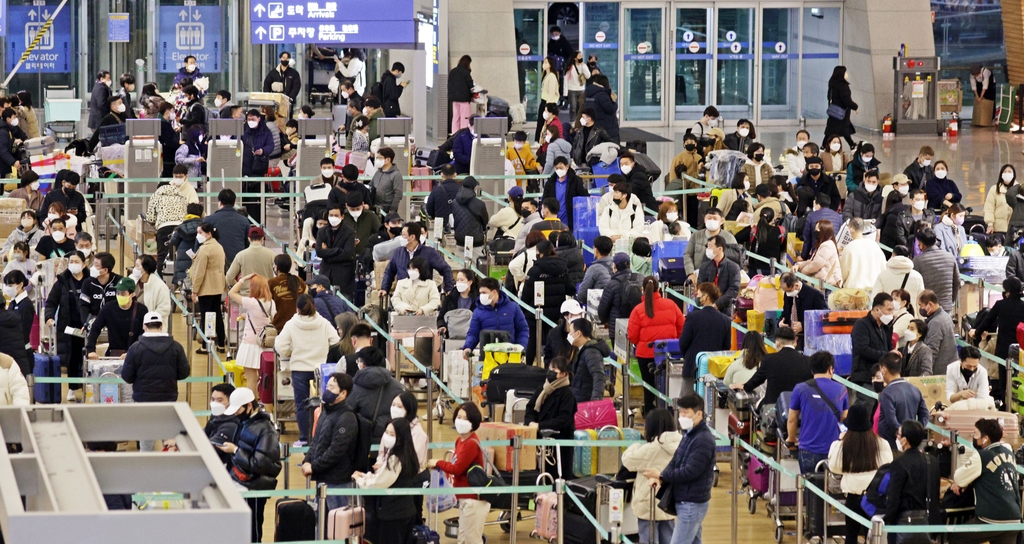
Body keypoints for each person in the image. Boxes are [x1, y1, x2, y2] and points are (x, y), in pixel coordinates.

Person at [643, 394, 716, 544]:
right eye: (681, 412)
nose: (682, 416)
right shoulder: (689, 434)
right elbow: (676, 459)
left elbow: (690, 471)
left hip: (692, 503)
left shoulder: (703, 440)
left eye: (686, 412)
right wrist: (661, 476)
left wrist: (661, 474)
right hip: (687, 500)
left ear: (699, 414)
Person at [219, 387, 282, 543]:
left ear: (249, 406)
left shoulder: (266, 430)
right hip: (241, 481)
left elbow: (261, 463)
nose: (235, 413)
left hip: (253, 486)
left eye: (238, 409)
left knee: (252, 531)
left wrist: (236, 450)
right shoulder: (245, 422)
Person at [277, 294, 340, 447]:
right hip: (321, 369)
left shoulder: (291, 324)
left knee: (301, 404)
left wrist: (291, 351)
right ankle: (322, 437)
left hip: (299, 368)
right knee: (324, 403)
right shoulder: (323, 323)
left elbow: (280, 347)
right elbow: (336, 341)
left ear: (297, 308)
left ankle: (305, 437)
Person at [826, 403, 893, 544]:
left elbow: (834, 467)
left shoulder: (841, 445)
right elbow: (887, 466)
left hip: (852, 496)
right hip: (874, 498)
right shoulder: (882, 443)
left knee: (851, 535)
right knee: (873, 536)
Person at [949, 419, 1022, 544]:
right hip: (1014, 519)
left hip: (991, 520)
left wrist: (965, 482)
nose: (973, 437)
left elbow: (959, 478)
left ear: (985, 439)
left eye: (975, 434)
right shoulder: (1009, 453)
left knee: (957, 537)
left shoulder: (982, 455)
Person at [426, 402, 489, 544]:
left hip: (474, 500)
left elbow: (457, 468)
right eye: (458, 417)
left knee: (472, 540)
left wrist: (438, 463)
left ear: (473, 422)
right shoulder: (460, 440)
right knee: (462, 539)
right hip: (464, 498)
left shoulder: (471, 443)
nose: (460, 421)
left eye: (465, 418)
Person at [353, 418, 420, 544]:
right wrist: (365, 476)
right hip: (406, 511)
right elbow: (382, 477)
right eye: (387, 432)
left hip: (394, 514)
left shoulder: (395, 458)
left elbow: (378, 484)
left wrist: (360, 480)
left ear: (400, 437)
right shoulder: (408, 454)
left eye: (392, 434)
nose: (387, 437)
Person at [301, 371, 360, 510]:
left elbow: (336, 450)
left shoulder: (347, 417)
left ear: (343, 393)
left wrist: (314, 467)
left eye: (332, 388)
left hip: (338, 481)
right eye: (327, 386)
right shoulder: (326, 412)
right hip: (323, 478)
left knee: (336, 526)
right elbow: (316, 441)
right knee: (321, 523)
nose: (327, 390)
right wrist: (307, 460)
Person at [622, 409, 681, 544]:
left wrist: (635, 445)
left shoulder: (652, 448)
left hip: (648, 502)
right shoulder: (680, 444)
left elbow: (628, 460)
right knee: (669, 538)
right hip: (668, 501)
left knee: (648, 539)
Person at [786, 352, 850, 474]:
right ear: (831, 369)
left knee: (808, 489)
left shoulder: (800, 388)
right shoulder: (842, 389)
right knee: (830, 490)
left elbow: (792, 419)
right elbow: (844, 418)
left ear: (812, 370)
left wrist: (792, 438)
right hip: (833, 450)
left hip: (807, 450)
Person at [520, 240, 576, 364]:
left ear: (540, 254)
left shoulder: (535, 270)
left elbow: (526, 294)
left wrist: (522, 309)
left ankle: (528, 367)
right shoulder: (563, 268)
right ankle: (554, 367)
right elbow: (570, 289)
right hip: (556, 313)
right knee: (554, 341)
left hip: (535, 313)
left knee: (533, 342)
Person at [884, 420, 942, 536]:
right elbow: (935, 493)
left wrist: (887, 520)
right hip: (929, 521)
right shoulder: (932, 461)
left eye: (899, 435)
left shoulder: (899, 463)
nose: (897, 438)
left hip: (905, 522)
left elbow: (894, 497)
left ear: (904, 440)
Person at [43, 251, 88, 401]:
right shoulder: (62, 282)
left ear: (84, 264)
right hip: (69, 327)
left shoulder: (90, 281)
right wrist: (49, 317)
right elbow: (51, 302)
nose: (73, 264)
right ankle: (72, 388)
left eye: (76, 261)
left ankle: (87, 387)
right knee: (73, 358)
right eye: (71, 261)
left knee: (87, 357)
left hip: (87, 326)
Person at [121, 309, 189, 406]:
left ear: (144, 326)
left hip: (142, 398)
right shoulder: (176, 347)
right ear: (161, 326)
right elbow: (184, 373)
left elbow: (127, 376)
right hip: (168, 398)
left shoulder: (135, 348)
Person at [525, 355, 577, 478]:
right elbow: (530, 408)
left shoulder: (567, 395)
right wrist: (530, 422)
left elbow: (564, 419)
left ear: (563, 374)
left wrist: (540, 426)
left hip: (559, 444)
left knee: (557, 477)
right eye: (550, 369)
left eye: (554, 371)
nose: (550, 373)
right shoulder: (543, 389)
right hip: (540, 442)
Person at [677, 282, 731, 395]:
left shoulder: (693, 317)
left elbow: (683, 342)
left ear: (705, 297)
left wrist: (687, 357)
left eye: (699, 294)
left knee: (688, 404)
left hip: (692, 369)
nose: (697, 297)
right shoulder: (725, 320)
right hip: (714, 371)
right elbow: (726, 347)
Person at [738, 326, 812, 407]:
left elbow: (756, 380)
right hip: (800, 408)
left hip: (774, 409)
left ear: (777, 343)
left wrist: (745, 386)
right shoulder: (808, 361)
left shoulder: (769, 359)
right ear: (795, 342)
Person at [227, 273, 276, 388]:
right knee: (265, 379)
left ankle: (252, 404)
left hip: (250, 344)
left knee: (251, 379)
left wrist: (243, 279)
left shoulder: (252, 302)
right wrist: (248, 316)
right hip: (266, 344)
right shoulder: (271, 302)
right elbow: (269, 319)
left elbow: (231, 293)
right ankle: (264, 403)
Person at [462, 277, 530, 360]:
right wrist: (468, 347)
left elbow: (523, 329)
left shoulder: (513, 307)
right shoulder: (478, 311)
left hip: (510, 356)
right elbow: (473, 333)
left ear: (494, 292)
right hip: (487, 358)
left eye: (484, 292)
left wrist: (521, 347)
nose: (481, 296)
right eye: (480, 293)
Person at [380, 222, 454, 294]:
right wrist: (384, 289)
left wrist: (449, 289)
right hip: (403, 295)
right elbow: (389, 272)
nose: (401, 238)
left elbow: (445, 268)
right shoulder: (398, 252)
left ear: (412, 237)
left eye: (403, 235)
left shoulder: (429, 252)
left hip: (423, 295)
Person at [876, 353, 931, 448]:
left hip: (892, 446)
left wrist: (902, 436)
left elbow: (891, 420)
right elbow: (925, 414)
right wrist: (915, 434)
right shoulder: (915, 389)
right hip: (911, 446)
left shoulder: (887, 393)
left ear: (883, 370)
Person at [190, 223, 226, 353]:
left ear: (209, 233)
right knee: (217, 314)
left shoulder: (205, 249)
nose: (198, 235)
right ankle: (221, 343)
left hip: (206, 287)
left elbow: (199, 272)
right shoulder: (218, 246)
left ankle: (206, 345)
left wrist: (194, 291)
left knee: (206, 316)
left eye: (200, 232)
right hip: (217, 286)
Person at [849, 292, 894, 387]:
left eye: (892, 310)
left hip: (883, 377)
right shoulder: (861, 325)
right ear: (877, 309)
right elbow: (862, 349)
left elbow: (889, 347)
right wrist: (886, 355)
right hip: (865, 378)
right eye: (889, 310)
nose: (891, 314)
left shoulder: (887, 327)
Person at [598, 252, 645, 340]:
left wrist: (605, 321)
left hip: (617, 327)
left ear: (614, 266)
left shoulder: (612, 284)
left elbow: (603, 308)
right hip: (638, 324)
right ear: (629, 264)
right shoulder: (640, 279)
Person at [913, 228, 959, 313]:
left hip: (927, 307)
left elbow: (915, 286)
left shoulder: (918, 261)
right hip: (946, 306)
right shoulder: (950, 257)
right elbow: (957, 282)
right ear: (935, 240)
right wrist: (951, 300)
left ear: (921, 244)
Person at [684, 208, 736, 283]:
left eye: (715, 218)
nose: (711, 221)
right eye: (709, 218)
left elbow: (735, 259)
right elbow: (688, 254)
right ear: (704, 219)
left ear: (721, 221)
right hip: (699, 277)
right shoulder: (696, 236)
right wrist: (690, 273)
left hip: (722, 278)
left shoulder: (729, 238)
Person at [316, 204, 357, 297]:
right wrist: (338, 250)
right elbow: (319, 251)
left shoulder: (349, 232)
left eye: (336, 215)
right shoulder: (322, 231)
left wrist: (327, 254)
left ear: (342, 216)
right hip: (325, 273)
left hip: (343, 276)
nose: (333, 218)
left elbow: (347, 253)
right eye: (331, 215)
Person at [780, 273, 828, 349]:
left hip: (809, 340)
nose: (787, 294)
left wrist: (804, 325)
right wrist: (781, 322)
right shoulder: (788, 295)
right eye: (785, 291)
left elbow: (824, 317)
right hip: (791, 339)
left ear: (796, 286)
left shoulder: (815, 295)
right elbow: (786, 312)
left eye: (789, 291)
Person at [567, 318, 610, 402]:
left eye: (570, 331)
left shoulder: (591, 352)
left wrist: (595, 402)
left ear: (578, 333)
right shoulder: (581, 349)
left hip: (586, 403)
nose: (568, 334)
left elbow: (599, 376)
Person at [542, 156, 589, 231]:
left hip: (570, 218)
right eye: (556, 168)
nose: (558, 170)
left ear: (567, 167)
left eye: (561, 168)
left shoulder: (576, 181)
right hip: (554, 219)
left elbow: (584, 196)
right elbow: (545, 199)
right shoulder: (550, 182)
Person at [225, 226, 275, 296]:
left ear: (248, 239)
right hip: (265, 295)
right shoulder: (271, 254)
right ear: (262, 239)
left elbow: (229, 277)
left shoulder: (241, 255)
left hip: (246, 295)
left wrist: (239, 285)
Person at [696, 235, 741, 313]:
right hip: (705, 306)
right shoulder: (704, 266)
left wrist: (717, 304)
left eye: (710, 246)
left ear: (720, 249)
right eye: (707, 246)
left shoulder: (733, 267)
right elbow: (700, 286)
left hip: (724, 308)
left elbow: (733, 290)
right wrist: (704, 302)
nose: (707, 249)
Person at [871, 245, 925, 310]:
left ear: (893, 255)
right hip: (910, 316)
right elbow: (921, 301)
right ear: (908, 257)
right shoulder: (917, 276)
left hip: (889, 316)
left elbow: (876, 299)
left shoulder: (882, 275)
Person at [918, 290, 958, 376]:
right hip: (950, 366)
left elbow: (932, 349)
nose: (920, 309)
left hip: (940, 370)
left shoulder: (935, 322)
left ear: (930, 304)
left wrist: (925, 372)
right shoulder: (946, 316)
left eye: (921, 305)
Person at [840, 218, 887, 290]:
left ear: (851, 229)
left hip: (854, 291)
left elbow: (843, 273)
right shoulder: (874, 245)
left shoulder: (849, 248)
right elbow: (883, 268)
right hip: (873, 289)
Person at [793, 220, 843, 286]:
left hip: (828, 283)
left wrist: (802, 272)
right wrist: (799, 265)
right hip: (824, 281)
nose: (815, 232)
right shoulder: (825, 243)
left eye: (817, 230)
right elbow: (812, 261)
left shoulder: (827, 245)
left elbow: (815, 265)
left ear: (823, 232)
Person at [739, 207, 783, 276]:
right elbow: (783, 249)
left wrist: (749, 227)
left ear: (760, 217)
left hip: (754, 271)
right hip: (773, 270)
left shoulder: (753, 230)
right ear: (773, 219)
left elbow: (736, 238)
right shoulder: (780, 231)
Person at [800, 193, 843, 260]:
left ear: (818, 205)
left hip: (817, 253)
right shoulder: (838, 216)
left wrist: (803, 257)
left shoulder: (811, 216)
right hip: (834, 254)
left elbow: (807, 239)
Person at [453, 176, 489, 253]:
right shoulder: (480, 204)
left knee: (463, 264)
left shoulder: (454, 202)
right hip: (476, 242)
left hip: (460, 240)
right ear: (475, 188)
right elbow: (485, 221)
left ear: (462, 186)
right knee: (476, 264)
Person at [170, 203, 203, 287]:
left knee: (184, 283)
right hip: (199, 259)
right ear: (201, 214)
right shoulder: (204, 227)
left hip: (183, 260)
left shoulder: (181, 227)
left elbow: (173, 241)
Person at [205, 382, 239, 464]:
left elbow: (210, 448)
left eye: (219, 400)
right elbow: (203, 433)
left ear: (231, 402)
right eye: (213, 399)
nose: (215, 403)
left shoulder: (231, 425)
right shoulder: (216, 418)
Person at [131, 255, 171, 325]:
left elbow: (164, 309)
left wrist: (147, 320)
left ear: (145, 269)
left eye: (137, 266)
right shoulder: (131, 280)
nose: (135, 269)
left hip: (152, 327)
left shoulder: (160, 286)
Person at [824, 66, 858, 147]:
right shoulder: (843, 86)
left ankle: (851, 144)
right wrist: (855, 107)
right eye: (845, 72)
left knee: (834, 130)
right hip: (841, 112)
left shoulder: (832, 84)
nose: (847, 74)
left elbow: (829, 97)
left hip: (834, 112)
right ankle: (852, 145)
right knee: (841, 129)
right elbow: (846, 100)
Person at [576, 235, 614, 305]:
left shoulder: (594, 269)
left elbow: (582, 295)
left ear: (596, 250)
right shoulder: (615, 265)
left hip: (598, 307)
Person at [584, 73, 619, 142]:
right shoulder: (602, 94)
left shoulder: (589, 95)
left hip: (594, 128)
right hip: (607, 129)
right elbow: (610, 108)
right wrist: (613, 101)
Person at [371, 147, 404, 215]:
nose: (377, 160)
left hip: (387, 208)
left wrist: (392, 209)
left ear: (388, 159)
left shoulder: (396, 175)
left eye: (380, 158)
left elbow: (398, 193)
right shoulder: (378, 172)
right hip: (375, 206)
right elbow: (371, 185)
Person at [535, 56, 561, 142]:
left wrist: (548, 108)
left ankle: (543, 141)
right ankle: (539, 140)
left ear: (550, 64)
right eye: (544, 62)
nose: (544, 64)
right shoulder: (546, 75)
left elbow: (552, 92)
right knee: (541, 123)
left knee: (546, 124)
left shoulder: (552, 76)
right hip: (544, 102)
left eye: (546, 62)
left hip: (548, 103)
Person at [986, 164, 1015, 235]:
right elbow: (989, 208)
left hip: (1015, 229)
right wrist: (990, 224)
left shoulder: (1018, 189)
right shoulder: (994, 189)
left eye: (1009, 172)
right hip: (999, 229)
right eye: (1005, 172)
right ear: (1001, 174)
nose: (1007, 174)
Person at [448, 55, 475, 133]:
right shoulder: (465, 72)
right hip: (464, 99)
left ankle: (454, 135)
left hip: (454, 99)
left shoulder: (452, 71)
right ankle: (463, 134)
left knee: (456, 118)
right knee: (464, 118)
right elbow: (470, 85)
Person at [564, 51, 590, 121]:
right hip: (572, 90)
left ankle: (579, 122)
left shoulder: (583, 66)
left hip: (581, 89)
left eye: (582, 56)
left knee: (580, 107)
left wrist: (583, 67)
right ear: (575, 58)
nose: (581, 57)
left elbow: (588, 76)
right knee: (573, 107)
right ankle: (572, 121)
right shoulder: (570, 67)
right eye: (579, 56)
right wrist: (565, 93)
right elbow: (566, 80)